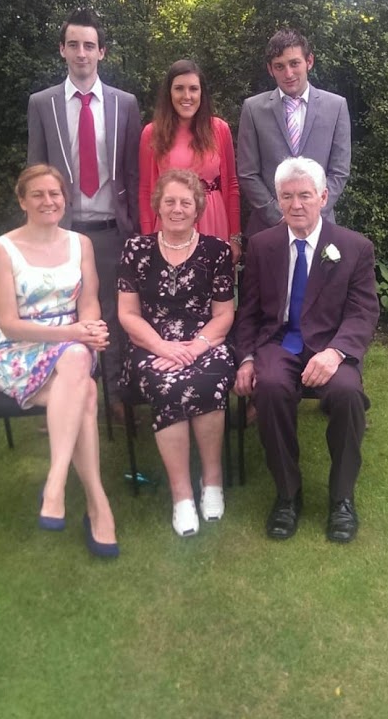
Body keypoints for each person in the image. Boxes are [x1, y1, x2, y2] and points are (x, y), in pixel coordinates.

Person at [234, 157, 379, 543]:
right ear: (277, 200)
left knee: (347, 392)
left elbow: (363, 312)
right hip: (278, 342)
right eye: (287, 196)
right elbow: (248, 311)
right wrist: (245, 358)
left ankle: (342, 497)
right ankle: (288, 494)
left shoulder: (354, 247)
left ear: (323, 197)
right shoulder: (262, 245)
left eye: (304, 195)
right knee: (269, 387)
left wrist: (336, 353)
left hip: (329, 345)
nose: (295, 204)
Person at [0, 165, 119, 557]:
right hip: (17, 350)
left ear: (65, 199)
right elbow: (9, 324)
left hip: (70, 346)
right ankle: (94, 503)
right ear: (22, 200)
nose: (48, 201)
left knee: (77, 367)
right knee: (85, 389)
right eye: (38, 194)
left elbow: (88, 301)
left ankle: (58, 486)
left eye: (55, 194)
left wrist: (89, 327)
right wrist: (76, 334)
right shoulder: (2, 250)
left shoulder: (80, 244)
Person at [27, 8, 141, 413]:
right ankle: (66, 392)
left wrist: (136, 229)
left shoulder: (125, 104)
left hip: (111, 230)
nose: (81, 53)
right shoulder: (42, 104)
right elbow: (36, 170)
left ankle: (115, 394)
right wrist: (38, 230)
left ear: (101, 52)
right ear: (62, 49)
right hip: (64, 231)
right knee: (61, 312)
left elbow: (133, 171)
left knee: (112, 310)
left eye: (89, 46)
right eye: (73, 44)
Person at [118, 169, 236, 538]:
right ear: (158, 205)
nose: (177, 208)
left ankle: (212, 481)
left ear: (198, 208)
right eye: (169, 201)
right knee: (166, 384)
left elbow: (224, 315)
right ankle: (182, 495)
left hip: (205, 343)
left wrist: (196, 347)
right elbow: (127, 314)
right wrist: (162, 347)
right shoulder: (136, 250)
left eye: (185, 202)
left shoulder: (217, 251)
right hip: (150, 346)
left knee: (210, 378)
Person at [237, 29, 351, 236]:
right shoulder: (253, 109)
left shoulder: (336, 107)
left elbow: (339, 171)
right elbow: (248, 173)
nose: (288, 74)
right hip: (269, 228)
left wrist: (313, 212)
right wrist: (278, 215)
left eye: (294, 63)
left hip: (320, 226)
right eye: (279, 66)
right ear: (270, 69)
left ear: (309, 61)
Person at [138, 59, 242, 264]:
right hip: (171, 221)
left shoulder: (219, 129)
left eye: (193, 89)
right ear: (169, 93)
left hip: (213, 220)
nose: (187, 96)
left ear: (202, 93)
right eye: (179, 88)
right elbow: (145, 191)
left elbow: (231, 185)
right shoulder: (152, 133)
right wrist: (148, 238)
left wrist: (235, 236)